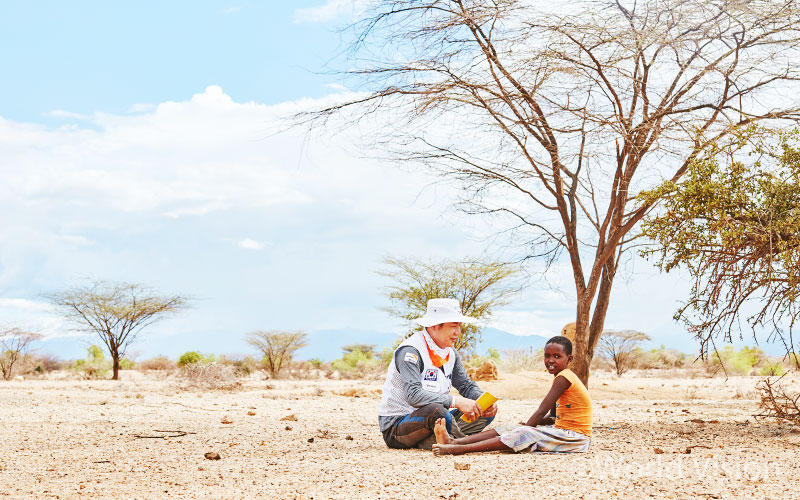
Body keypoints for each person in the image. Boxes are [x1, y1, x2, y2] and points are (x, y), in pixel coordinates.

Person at [431, 335, 592, 456]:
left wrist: (527, 427)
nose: (550, 360)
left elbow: (541, 411)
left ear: (569, 359)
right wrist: (524, 424)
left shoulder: (564, 378)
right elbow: (552, 418)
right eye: (547, 356)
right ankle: (454, 441)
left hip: (576, 439)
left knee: (524, 432)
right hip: (562, 431)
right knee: (513, 427)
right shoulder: (561, 377)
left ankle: (459, 449)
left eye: (557, 356)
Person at [378, 298, 499, 449]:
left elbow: (466, 386)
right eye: (453, 326)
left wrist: (482, 400)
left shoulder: (450, 352)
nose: (458, 332)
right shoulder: (411, 351)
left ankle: (439, 440)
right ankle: (460, 442)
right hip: (398, 426)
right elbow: (413, 396)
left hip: (435, 420)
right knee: (438, 412)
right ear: (435, 326)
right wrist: (457, 402)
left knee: (481, 411)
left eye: (459, 326)